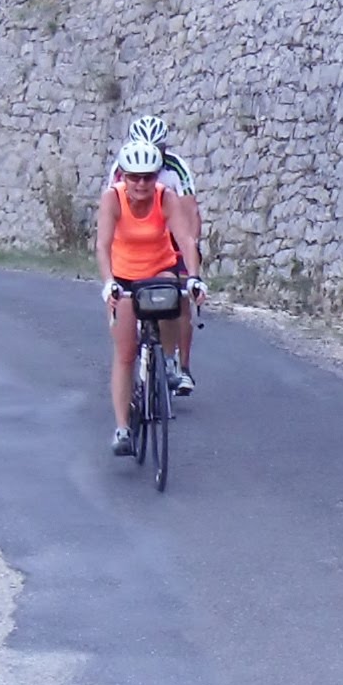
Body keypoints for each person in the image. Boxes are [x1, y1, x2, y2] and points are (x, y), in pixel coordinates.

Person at [96, 140, 205, 456]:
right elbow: (102, 245)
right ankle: (122, 428)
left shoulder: (165, 197)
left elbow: (186, 239)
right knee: (125, 353)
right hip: (124, 277)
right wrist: (109, 283)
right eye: (134, 177)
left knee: (172, 295)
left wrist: (194, 277)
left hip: (159, 270)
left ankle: (169, 361)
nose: (141, 183)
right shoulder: (112, 198)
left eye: (148, 176)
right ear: (124, 176)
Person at [104, 114, 204, 390]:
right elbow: (113, 210)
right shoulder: (122, 167)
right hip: (135, 238)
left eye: (157, 150)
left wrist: (191, 249)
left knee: (180, 296)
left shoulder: (175, 167)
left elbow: (190, 210)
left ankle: (181, 366)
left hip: (172, 233)